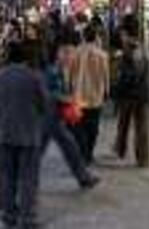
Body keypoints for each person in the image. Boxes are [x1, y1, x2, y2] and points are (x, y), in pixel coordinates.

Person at [0, 41, 46, 229]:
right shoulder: (34, 77)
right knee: (28, 178)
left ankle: (8, 214)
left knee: (6, 177)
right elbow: (44, 104)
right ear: (25, 57)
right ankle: (27, 217)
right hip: (28, 134)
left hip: (3, 133)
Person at [41, 46, 99, 189]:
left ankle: (83, 177)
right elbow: (50, 94)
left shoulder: (58, 70)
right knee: (37, 153)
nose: (72, 60)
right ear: (61, 55)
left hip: (53, 118)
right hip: (48, 118)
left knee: (69, 146)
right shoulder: (52, 72)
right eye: (70, 57)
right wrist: (71, 100)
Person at [113, 14, 149, 168]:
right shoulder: (142, 46)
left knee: (124, 123)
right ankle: (142, 158)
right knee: (141, 127)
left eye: (122, 32)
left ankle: (121, 149)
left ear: (125, 32)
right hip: (142, 92)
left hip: (131, 93)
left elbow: (132, 72)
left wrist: (120, 86)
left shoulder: (131, 48)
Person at [72, 24, 110, 163]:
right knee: (93, 126)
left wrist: (70, 89)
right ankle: (89, 152)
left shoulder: (76, 52)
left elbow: (71, 74)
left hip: (79, 94)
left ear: (83, 37)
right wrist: (107, 91)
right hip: (96, 95)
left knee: (80, 126)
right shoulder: (102, 55)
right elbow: (106, 76)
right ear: (95, 38)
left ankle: (83, 152)